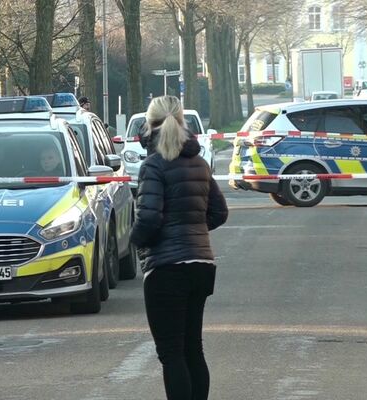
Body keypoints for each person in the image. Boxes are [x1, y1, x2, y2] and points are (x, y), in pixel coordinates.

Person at [130, 95, 228, 400]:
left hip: (166, 270)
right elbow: (219, 212)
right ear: (182, 120)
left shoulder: (154, 165)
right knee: (192, 349)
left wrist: (135, 242)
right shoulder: (199, 163)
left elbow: (148, 219)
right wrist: (193, 230)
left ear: (150, 124)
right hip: (201, 264)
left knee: (171, 354)